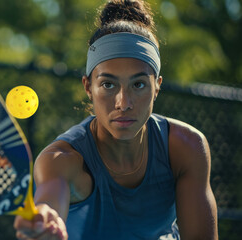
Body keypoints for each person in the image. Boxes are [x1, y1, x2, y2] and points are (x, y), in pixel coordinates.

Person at [13, 0, 218, 239]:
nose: (124, 102)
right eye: (108, 85)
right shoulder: (60, 160)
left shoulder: (186, 147)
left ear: (157, 87)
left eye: (138, 84)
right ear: (88, 87)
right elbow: (49, 204)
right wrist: (45, 221)